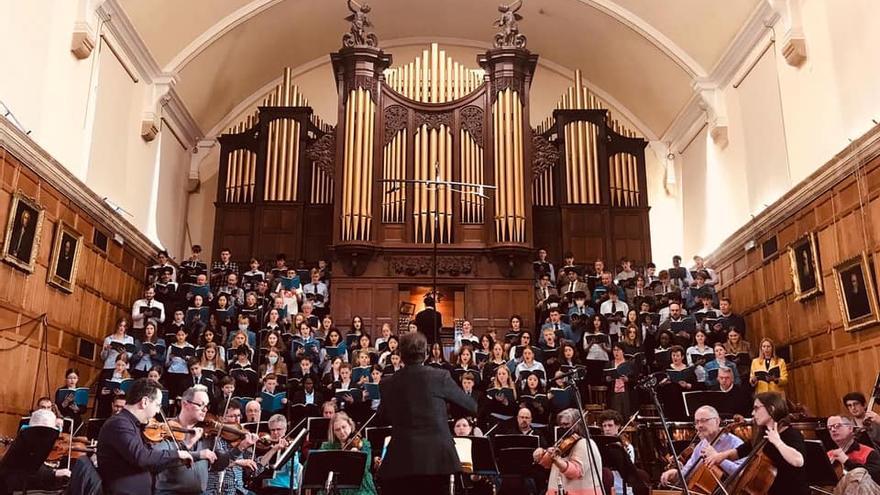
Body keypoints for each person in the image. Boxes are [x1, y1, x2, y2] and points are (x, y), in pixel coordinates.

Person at [377, 331, 477, 494]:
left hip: (401, 460)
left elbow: (382, 417)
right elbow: (470, 406)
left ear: (401, 355)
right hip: (438, 460)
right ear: (425, 353)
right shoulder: (440, 377)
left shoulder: (388, 383)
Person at [97, 379, 193, 495]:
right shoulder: (120, 424)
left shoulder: (133, 425)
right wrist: (177, 454)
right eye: (157, 405)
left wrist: (180, 457)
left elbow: (151, 460)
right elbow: (142, 457)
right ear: (145, 402)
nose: (158, 411)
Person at [706, 391, 808, 495]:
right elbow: (740, 451)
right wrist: (721, 456)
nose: (752, 413)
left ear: (771, 409)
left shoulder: (791, 434)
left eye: (756, 408)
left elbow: (798, 461)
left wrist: (778, 442)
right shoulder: (763, 435)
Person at [659, 405, 745, 487]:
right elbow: (687, 474)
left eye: (704, 420)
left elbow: (742, 474)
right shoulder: (700, 446)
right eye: (696, 422)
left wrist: (718, 458)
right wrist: (674, 474)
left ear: (717, 421)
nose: (699, 425)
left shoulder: (735, 443)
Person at [532, 408, 604, 495]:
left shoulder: (585, 444)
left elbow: (575, 472)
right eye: (561, 425)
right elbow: (547, 465)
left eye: (566, 424)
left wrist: (557, 460)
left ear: (577, 425)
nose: (563, 428)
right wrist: (541, 455)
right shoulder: (563, 442)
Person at [206, 399, 260, 495]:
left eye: (239, 416)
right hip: (221, 490)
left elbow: (254, 471)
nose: (237, 420)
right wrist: (239, 459)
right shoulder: (215, 438)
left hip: (240, 490)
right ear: (221, 418)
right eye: (232, 416)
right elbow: (218, 464)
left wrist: (273, 449)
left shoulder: (242, 437)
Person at [319, 411, 377, 494]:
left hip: (360, 487)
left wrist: (356, 458)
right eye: (337, 430)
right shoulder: (327, 446)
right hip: (335, 487)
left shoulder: (363, 443)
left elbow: (365, 467)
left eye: (344, 427)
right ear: (333, 432)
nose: (342, 432)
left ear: (350, 425)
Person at [255, 414, 303, 494]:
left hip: (285, 487)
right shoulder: (265, 445)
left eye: (279, 429)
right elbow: (259, 467)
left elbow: (294, 469)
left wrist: (288, 451)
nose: (276, 433)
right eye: (272, 430)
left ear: (285, 429)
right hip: (267, 487)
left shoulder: (290, 444)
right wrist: (274, 449)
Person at [827, 415, 880, 482]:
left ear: (850, 428)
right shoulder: (829, 454)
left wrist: (847, 462)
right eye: (829, 428)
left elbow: (875, 479)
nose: (833, 430)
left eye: (837, 426)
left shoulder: (869, 453)